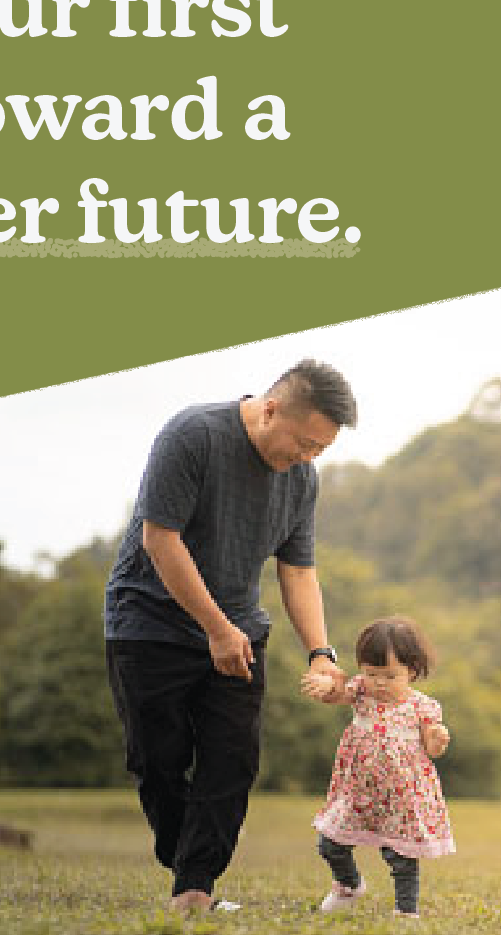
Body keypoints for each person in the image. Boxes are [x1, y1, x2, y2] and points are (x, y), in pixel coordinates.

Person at [104, 359, 358, 914]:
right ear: (270, 409)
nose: (307, 458)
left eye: (321, 449)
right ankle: (188, 870)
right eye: (303, 442)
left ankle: (194, 889)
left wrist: (320, 652)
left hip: (239, 631)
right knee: (157, 761)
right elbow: (161, 540)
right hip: (148, 623)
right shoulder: (192, 436)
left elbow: (298, 570)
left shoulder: (301, 479)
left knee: (231, 760)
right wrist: (215, 628)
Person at [300, 616, 454, 920]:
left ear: (411, 671)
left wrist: (437, 739)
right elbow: (336, 695)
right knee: (330, 843)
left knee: (401, 856)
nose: (379, 683)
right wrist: (326, 685)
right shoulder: (360, 692)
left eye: (390, 676)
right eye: (371, 674)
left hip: (401, 796)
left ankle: (406, 911)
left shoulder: (422, 707)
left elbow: (432, 750)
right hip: (357, 791)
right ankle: (348, 885)